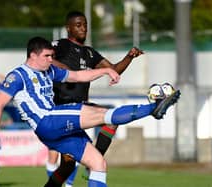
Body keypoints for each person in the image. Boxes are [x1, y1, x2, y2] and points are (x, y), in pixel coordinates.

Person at [0, 36, 180, 187]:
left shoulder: (49, 71)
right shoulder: (17, 75)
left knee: (98, 163)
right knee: (103, 114)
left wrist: (105, 71)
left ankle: (155, 107)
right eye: (47, 56)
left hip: (54, 129)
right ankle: (154, 107)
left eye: (52, 56)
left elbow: (78, 75)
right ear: (33, 55)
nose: (51, 59)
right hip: (47, 120)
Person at [47, 10, 144, 187]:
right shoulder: (59, 45)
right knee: (67, 166)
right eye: (78, 25)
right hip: (63, 110)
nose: (83, 28)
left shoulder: (90, 53)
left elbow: (114, 69)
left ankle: (93, 163)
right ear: (68, 28)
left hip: (82, 107)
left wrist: (129, 57)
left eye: (85, 25)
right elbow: (46, 60)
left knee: (112, 119)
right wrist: (70, 73)